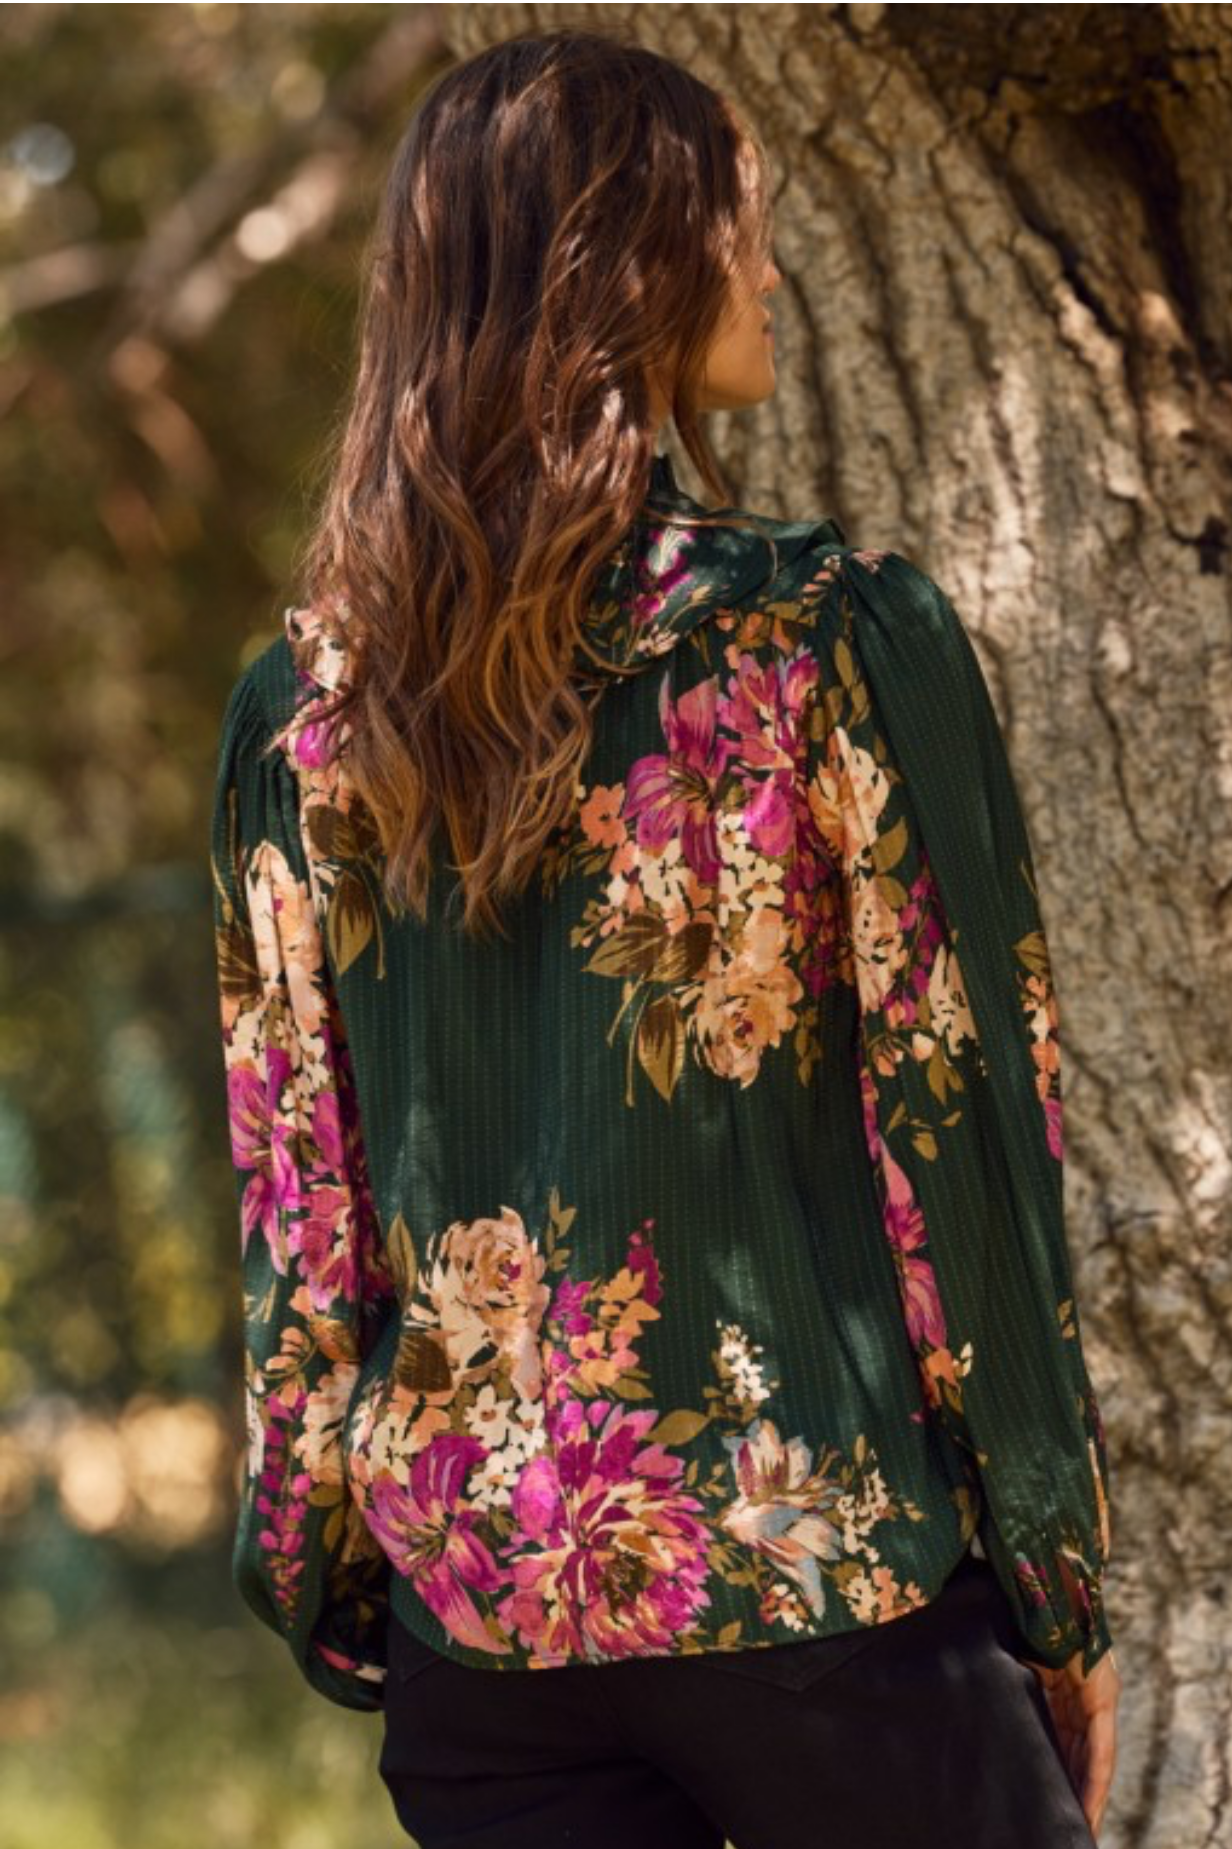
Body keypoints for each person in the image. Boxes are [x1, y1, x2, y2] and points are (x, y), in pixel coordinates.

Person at [209, 25, 1122, 1849]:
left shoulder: (298, 716)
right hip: (823, 1599)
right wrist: (1054, 1578)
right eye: (739, 227)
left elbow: (297, 1195)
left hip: (485, 1640)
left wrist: (316, 1550)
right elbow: (956, 1138)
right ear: (628, 269)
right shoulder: (835, 644)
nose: (769, 270)